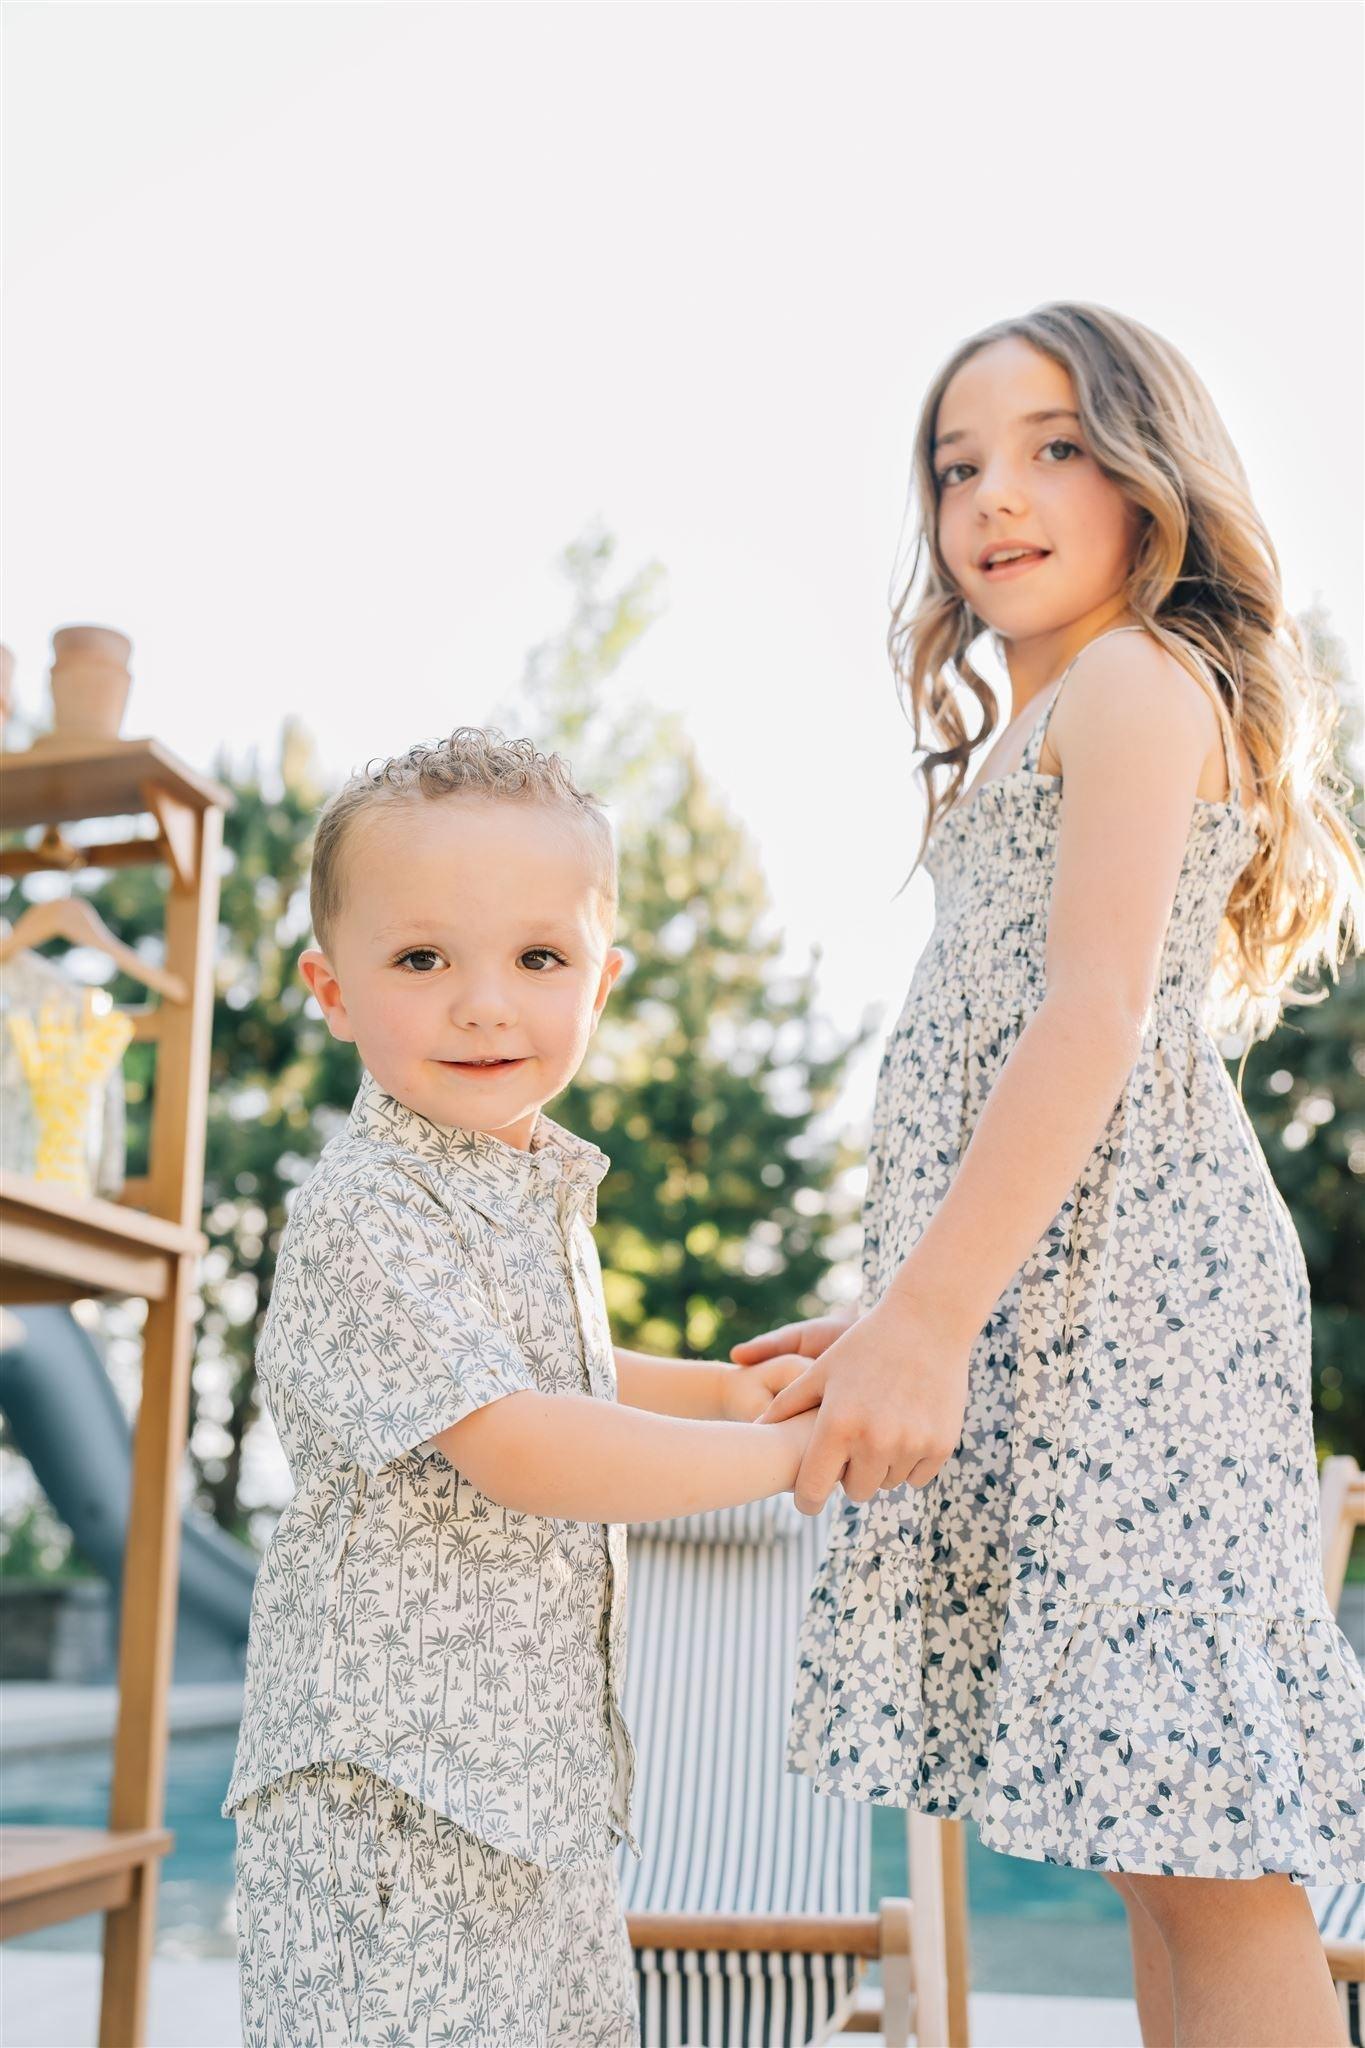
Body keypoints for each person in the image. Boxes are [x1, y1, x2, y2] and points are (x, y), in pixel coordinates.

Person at [733, 302, 1365, 2046]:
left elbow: (1091, 1024)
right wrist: (889, 1310)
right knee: (1152, 1845)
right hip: (1059, 1293)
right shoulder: (1034, 718)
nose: (994, 496)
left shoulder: (1131, 677)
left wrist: (930, 1324)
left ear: (1150, 474)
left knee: (1208, 1842)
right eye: (957, 466)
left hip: (1145, 1307)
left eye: (1052, 447)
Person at [221, 728, 816, 2048]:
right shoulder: (364, 1212)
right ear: (331, 989)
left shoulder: (522, 1187)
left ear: (601, 981)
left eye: (538, 958)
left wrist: (728, 1398)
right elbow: (520, 1442)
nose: (485, 1003)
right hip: (393, 1803)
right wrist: (780, 1463)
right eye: (423, 958)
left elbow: (569, 1375)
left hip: (537, 1790)